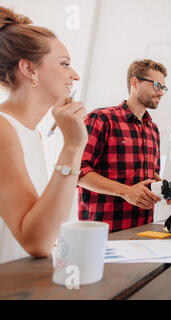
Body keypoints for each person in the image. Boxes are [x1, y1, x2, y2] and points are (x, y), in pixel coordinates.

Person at [0, 7, 87, 263]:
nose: (75, 75)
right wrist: (72, 146)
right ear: (29, 69)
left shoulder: (30, 134)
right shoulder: (3, 130)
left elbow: (46, 228)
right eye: (64, 64)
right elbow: (37, 242)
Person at [78, 59, 171, 232]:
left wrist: (162, 188)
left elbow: (152, 175)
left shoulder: (153, 129)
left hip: (143, 228)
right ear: (134, 82)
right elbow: (78, 172)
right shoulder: (101, 119)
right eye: (157, 85)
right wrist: (126, 191)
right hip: (102, 231)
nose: (161, 93)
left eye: (163, 88)